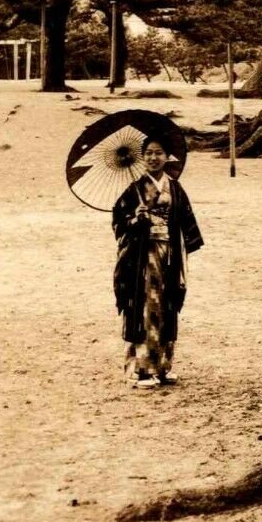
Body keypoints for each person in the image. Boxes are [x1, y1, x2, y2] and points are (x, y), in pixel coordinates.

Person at [112, 137, 204, 388]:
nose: (153, 158)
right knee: (147, 307)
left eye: (159, 153)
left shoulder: (175, 188)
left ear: (167, 157)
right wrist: (135, 219)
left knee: (168, 305)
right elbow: (119, 220)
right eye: (149, 153)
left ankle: (163, 366)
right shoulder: (134, 190)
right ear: (142, 157)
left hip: (170, 254)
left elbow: (186, 220)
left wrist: (182, 244)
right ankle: (142, 370)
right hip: (144, 255)